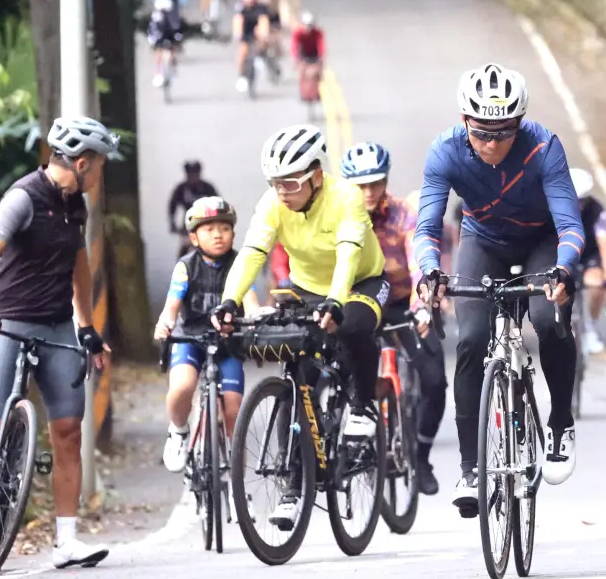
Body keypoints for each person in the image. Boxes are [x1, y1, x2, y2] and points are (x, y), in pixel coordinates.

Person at [415, 62, 584, 517]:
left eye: (503, 133)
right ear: (464, 121)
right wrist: (429, 271)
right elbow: (427, 225)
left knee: (548, 320)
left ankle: (561, 424)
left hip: (541, 241)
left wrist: (564, 270)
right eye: (481, 133)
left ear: (520, 123)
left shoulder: (544, 147)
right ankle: (471, 468)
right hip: (482, 241)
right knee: (469, 340)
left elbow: (569, 223)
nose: (491, 144)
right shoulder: (445, 151)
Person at [0, 116, 117, 568]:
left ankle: (67, 541)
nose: (101, 173)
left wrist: (86, 326)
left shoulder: (76, 206)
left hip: (57, 326)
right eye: (99, 165)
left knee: (66, 431)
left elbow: (79, 268)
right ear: (81, 163)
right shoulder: (23, 198)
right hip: (10, 324)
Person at [211, 124, 389, 528]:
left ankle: (361, 405)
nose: (282, 192)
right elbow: (253, 253)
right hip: (306, 288)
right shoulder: (272, 204)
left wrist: (337, 302)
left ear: (316, 175)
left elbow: (348, 256)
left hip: (360, 282)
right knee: (296, 380)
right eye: (276, 184)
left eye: (290, 184)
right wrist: (229, 300)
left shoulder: (346, 199)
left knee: (355, 327)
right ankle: (293, 488)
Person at [341, 142, 450, 496]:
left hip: (404, 302)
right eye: (360, 185)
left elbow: (417, 257)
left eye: (375, 183)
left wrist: (424, 303)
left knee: (434, 380)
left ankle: (420, 455)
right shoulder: (339, 217)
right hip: (359, 304)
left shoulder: (404, 213)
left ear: (386, 181)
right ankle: (344, 443)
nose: (369, 192)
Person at [154, 197, 258, 478]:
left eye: (224, 228)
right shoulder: (185, 267)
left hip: (228, 343)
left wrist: (256, 323)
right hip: (190, 339)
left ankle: (237, 484)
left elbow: (251, 303)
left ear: (233, 233)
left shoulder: (240, 264)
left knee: (235, 411)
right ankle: (178, 430)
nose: (217, 235)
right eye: (209, 229)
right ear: (194, 237)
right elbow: (171, 308)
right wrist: (164, 324)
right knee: (182, 387)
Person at [570, 168, 606, 355]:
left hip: (589, 255)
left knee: (597, 284)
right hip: (562, 253)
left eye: (583, 200)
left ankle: (590, 326)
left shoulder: (597, 210)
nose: (579, 205)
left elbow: (605, 246)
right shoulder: (552, 206)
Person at [168, 161, 219, 257]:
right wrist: (172, 223)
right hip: (188, 224)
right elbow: (172, 206)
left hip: (206, 223)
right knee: (185, 248)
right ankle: (181, 268)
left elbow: (218, 204)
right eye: (190, 175)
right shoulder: (181, 189)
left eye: (195, 174)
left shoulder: (207, 188)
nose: (193, 178)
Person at [232, 0, 271, 93]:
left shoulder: (261, 7)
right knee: (242, 53)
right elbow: (237, 21)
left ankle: (262, 59)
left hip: (256, 31)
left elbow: (264, 21)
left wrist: (263, 34)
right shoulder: (240, 7)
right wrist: (237, 34)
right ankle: (241, 76)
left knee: (261, 46)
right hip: (245, 31)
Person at [147, 0, 184, 89]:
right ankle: (159, 72)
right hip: (162, 38)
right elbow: (152, 30)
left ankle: (165, 69)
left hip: (168, 38)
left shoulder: (172, 17)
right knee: (160, 53)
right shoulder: (157, 17)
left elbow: (178, 29)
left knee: (165, 53)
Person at [291, 11, 325, 101]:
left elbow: (321, 45)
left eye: (310, 25)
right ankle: (303, 92)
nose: (308, 28)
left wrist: (321, 57)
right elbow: (294, 46)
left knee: (317, 72)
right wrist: (296, 58)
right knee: (303, 72)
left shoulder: (318, 33)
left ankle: (316, 91)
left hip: (314, 54)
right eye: (306, 25)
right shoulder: (297, 33)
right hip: (303, 54)